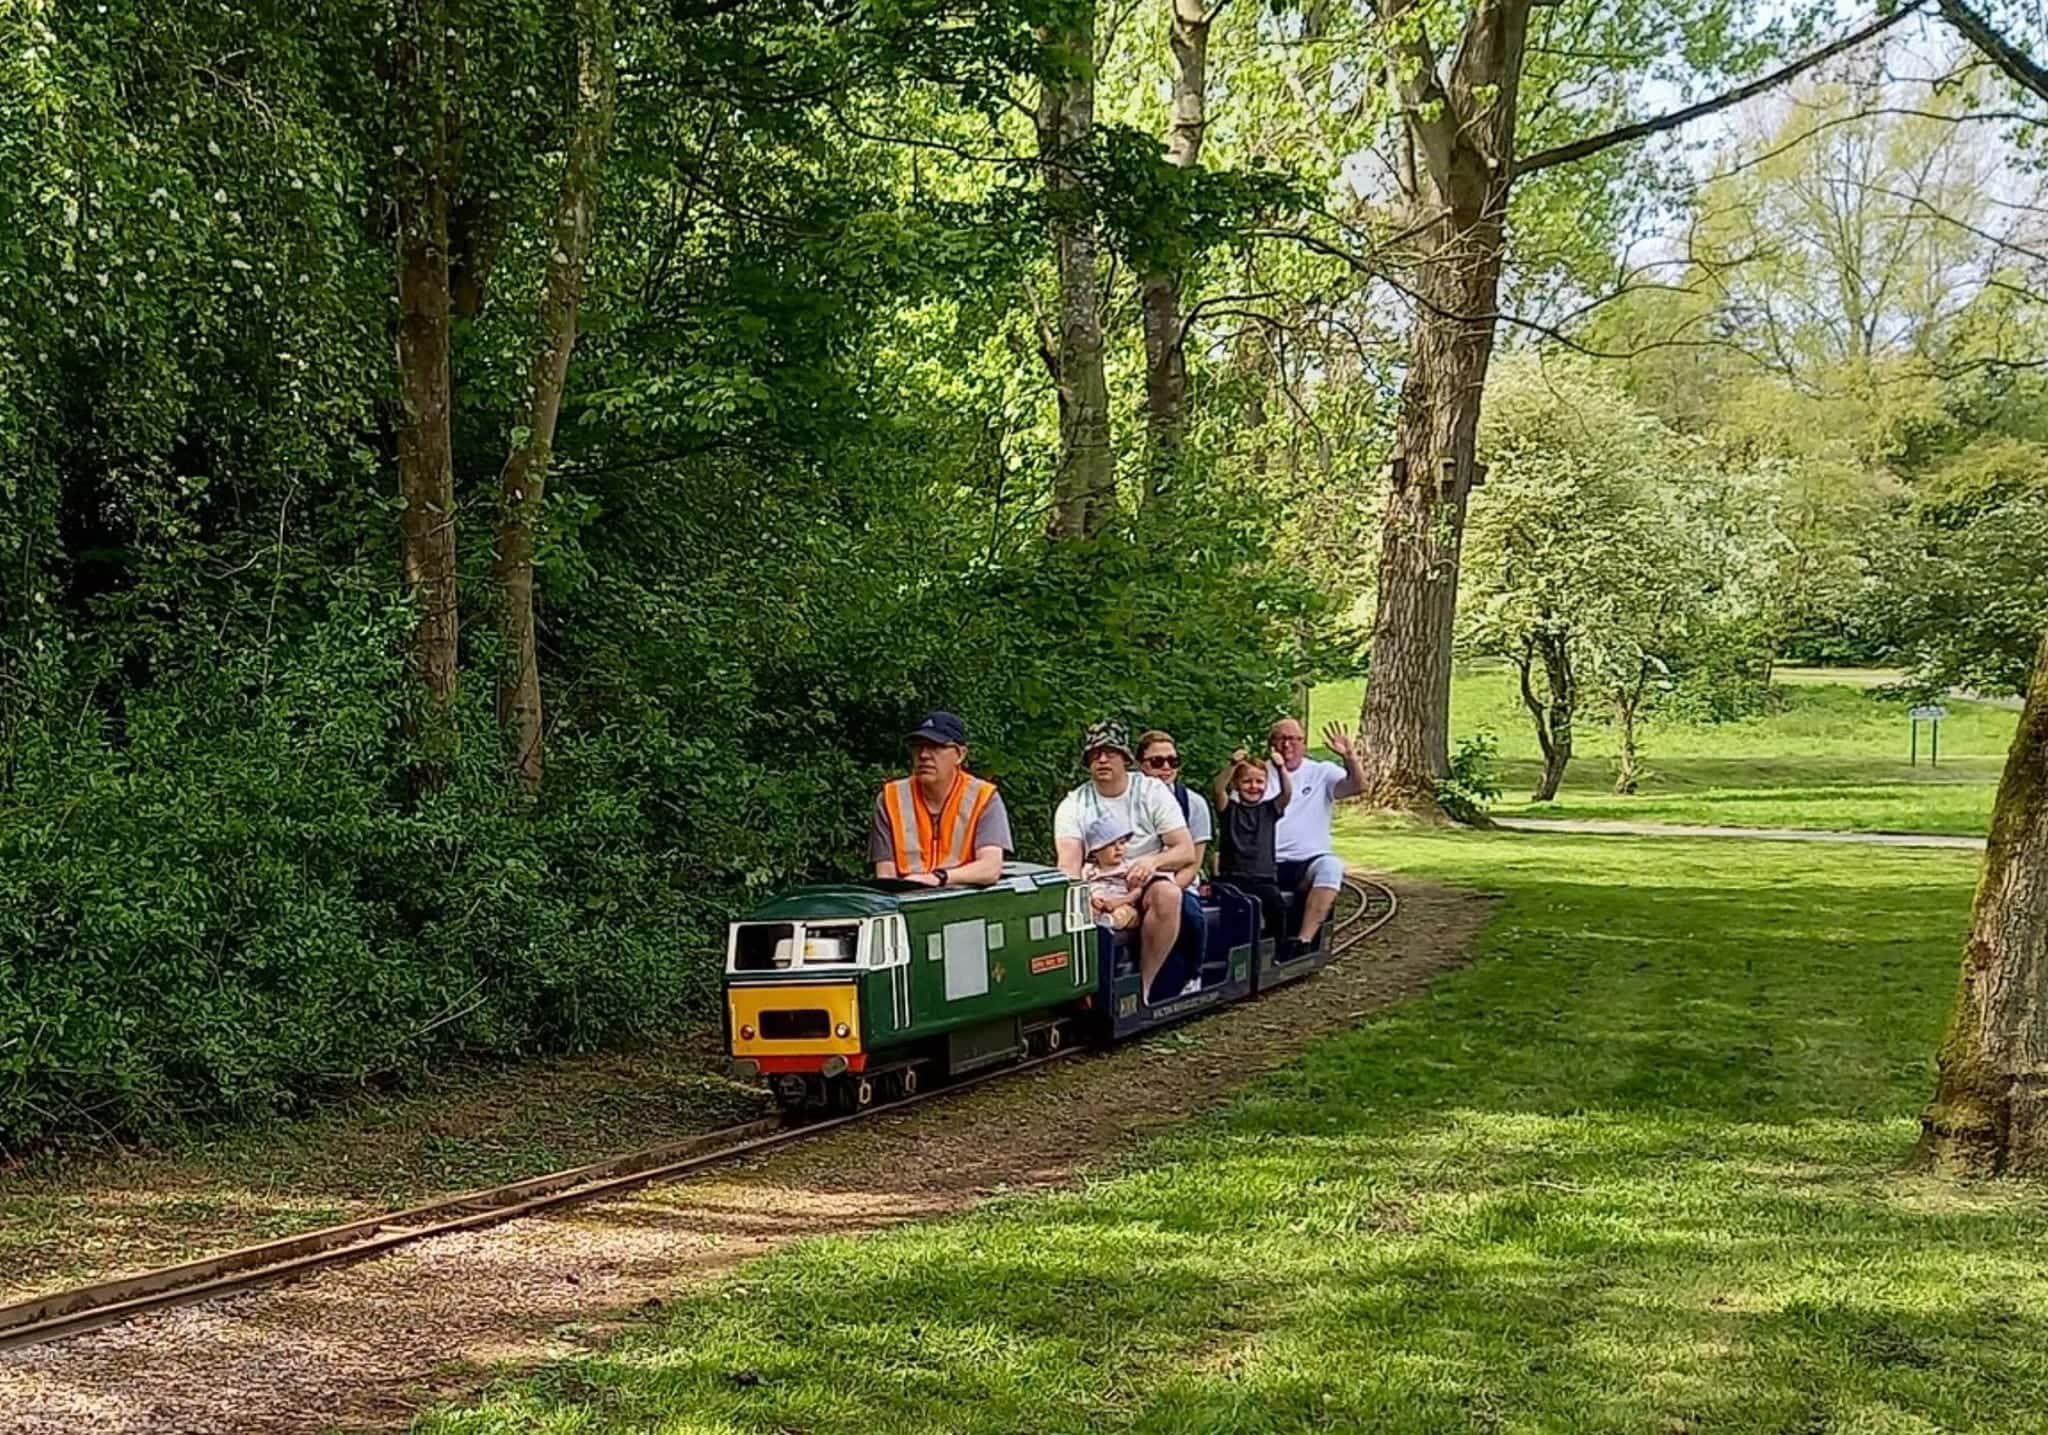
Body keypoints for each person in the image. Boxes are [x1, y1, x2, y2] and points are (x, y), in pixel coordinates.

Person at [1053, 719, 1201, 1003]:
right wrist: (1083, 897)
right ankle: (1082, 990)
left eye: (1110, 752)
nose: (1103, 759)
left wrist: (1152, 862)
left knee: (1168, 894)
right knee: (1072, 903)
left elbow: (1184, 850)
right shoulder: (1074, 804)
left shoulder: (1151, 792)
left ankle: (1144, 988)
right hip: (1099, 882)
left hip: (1146, 882)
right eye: (1095, 754)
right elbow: (1069, 864)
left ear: (1125, 758)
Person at [870, 711, 1011, 887]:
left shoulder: (983, 797)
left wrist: (939, 878)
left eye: (936, 746)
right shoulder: (891, 799)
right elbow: (885, 874)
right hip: (907, 899)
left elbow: (990, 868)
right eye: (917, 746)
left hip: (962, 900)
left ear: (960, 755)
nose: (923, 755)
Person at [1264, 717, 1366, 945]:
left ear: (1304, 743)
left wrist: (1350, 758)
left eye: (1293, 739)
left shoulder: (1321, 772)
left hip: (1307, 861)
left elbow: (1358, 786)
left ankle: (1304, 940)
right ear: (1271, 744)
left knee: (1331, 867)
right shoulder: (1259, 775)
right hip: (1266, 861)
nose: (1287, 745)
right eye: (1280, 739)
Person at [1212, 747, 1293, 949]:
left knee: (1276, 908)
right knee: (1234, 917)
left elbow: (1287, 793)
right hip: (1233, 879)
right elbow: (1218, 790)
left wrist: (1281, 768)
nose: (1253, 786)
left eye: (1259, 782)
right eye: (1247, 781)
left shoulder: (1270, 810)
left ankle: (1276, 952)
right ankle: (1233, 954)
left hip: (1263, 878)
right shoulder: (1229, 809)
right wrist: (1232, 765)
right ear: (1237, 784)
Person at [1136, 729, 1212, 887]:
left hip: (1179, 882)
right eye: (1157, 761)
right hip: (1127, 881)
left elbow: (1193, 864)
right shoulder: (1126, 798)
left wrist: (1170, 892)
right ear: (1140, 764)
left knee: (1187, 910)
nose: (1166, 767)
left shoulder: (1194, 803)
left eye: (1173, 761)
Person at [1079, 814, 1148, 930]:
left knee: (1126, 914)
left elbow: (1137, 892)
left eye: (1122, 843)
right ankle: (1097, 923)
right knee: (1086, 911)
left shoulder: (1128, 867)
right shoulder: (1088, 869)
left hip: (1121, 904)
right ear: (1096, 851)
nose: (1118, 848)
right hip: (1098, 906)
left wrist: (1119, 902)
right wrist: (1092, 900)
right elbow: (1083, 889)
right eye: (1111, 844)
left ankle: (1110, 922)